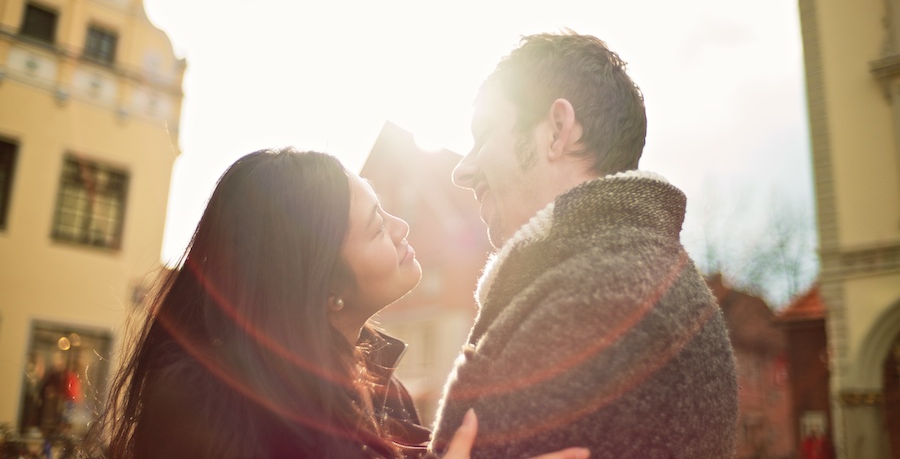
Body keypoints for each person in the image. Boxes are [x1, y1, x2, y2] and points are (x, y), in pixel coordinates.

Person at [84, 148, 589, 459]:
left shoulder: (383, 389)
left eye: (385, 210)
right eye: (376, 227)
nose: (401, 227)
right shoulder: (210, 408)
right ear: (321, 288)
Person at [429, 32, 739, 458]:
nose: (462, 170)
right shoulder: (626, 276)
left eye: (483, 134)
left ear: (558, 129)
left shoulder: (595, 302)